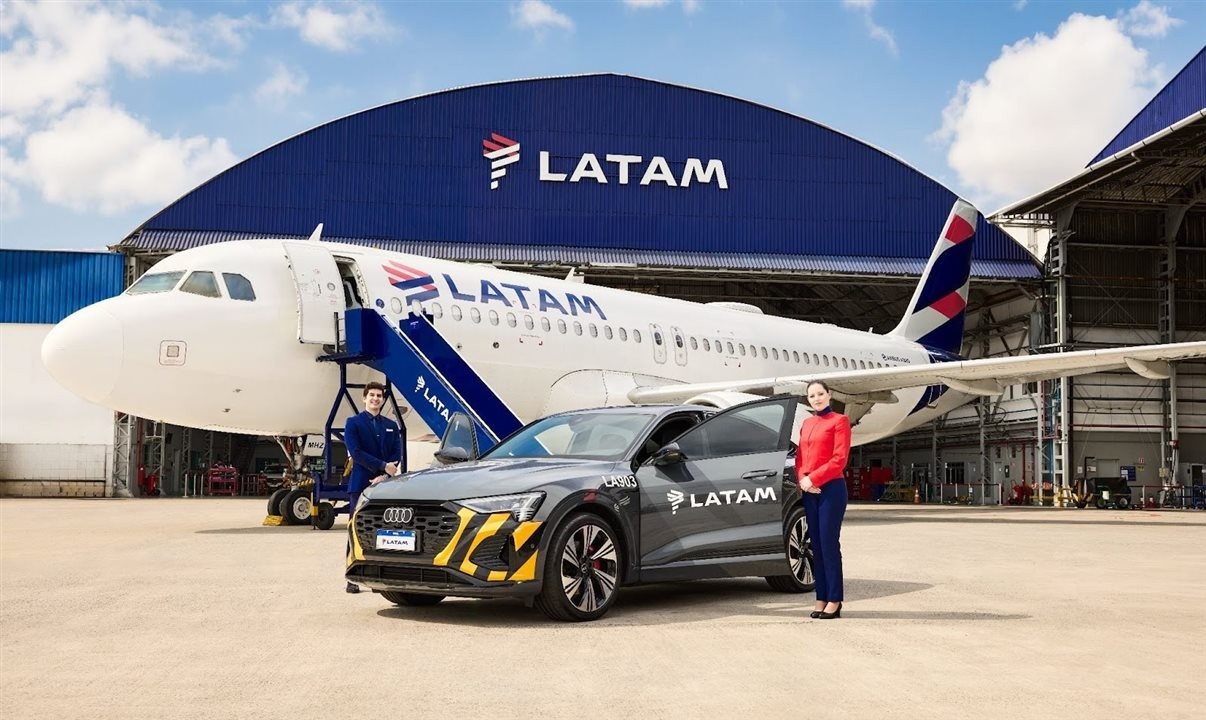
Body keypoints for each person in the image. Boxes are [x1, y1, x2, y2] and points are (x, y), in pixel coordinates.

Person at [795, 380, 851, 619]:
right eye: (811, 395)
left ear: (829, 394)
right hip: (809, 489)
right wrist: (803, 479)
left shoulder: (840, 421)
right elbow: (800, 457)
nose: (816, 398)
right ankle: (821, 597)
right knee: (815, 546)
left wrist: (814, 478)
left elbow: (839, 459)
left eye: (820, 394)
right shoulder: (807, 423)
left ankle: (835, 600)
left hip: (831, 489)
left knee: (828, 544)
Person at [343, 381, 402, 593]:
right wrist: (382, 466)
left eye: (379, 396)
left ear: (383, 400)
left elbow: (397, 453)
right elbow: (356, 453)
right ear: (364, 398)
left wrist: (384, 474)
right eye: (372, 395)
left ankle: (378, 577)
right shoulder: (353, 423)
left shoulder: (391, 425)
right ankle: (352, 577)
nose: (376, 399)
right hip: (361, 483)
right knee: (356, 528)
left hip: (385, 483)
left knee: (383, 530)